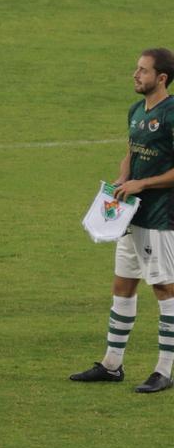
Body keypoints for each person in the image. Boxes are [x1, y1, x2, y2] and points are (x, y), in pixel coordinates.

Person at [70, 48, 174, 393]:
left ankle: (164, 369)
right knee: (123, 285)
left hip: (161, 218)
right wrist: (122, 178)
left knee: (164, 288)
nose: (135, 74)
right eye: (136, 68)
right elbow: (131, 152)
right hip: (131, 216)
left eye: (143, 71)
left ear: (161, 78)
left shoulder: (171, 114)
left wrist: (142, 183)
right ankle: (112, 364)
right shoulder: (135, 110)